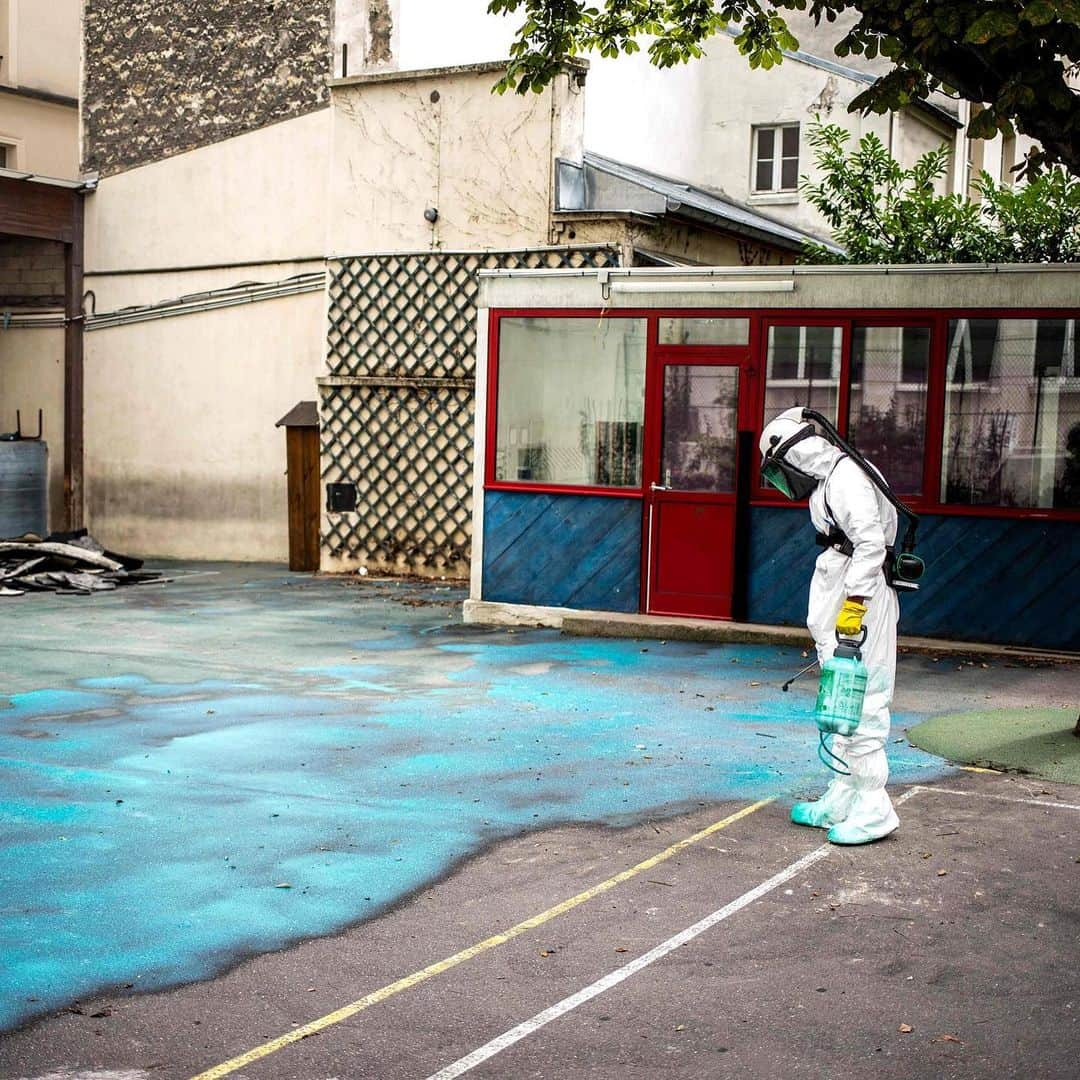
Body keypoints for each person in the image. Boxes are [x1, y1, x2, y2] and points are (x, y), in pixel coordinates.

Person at [759, 406, 901, 845]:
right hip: (842, 590)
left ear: (794, 454)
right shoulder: (830, 480)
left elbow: (871, 543)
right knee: (839, 698)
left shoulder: (846, 478)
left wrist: (854, 606)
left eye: (781, 472)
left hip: (862, 599)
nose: (785, 483)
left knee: (863, 699)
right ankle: (843, 793)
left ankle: (874, 806)